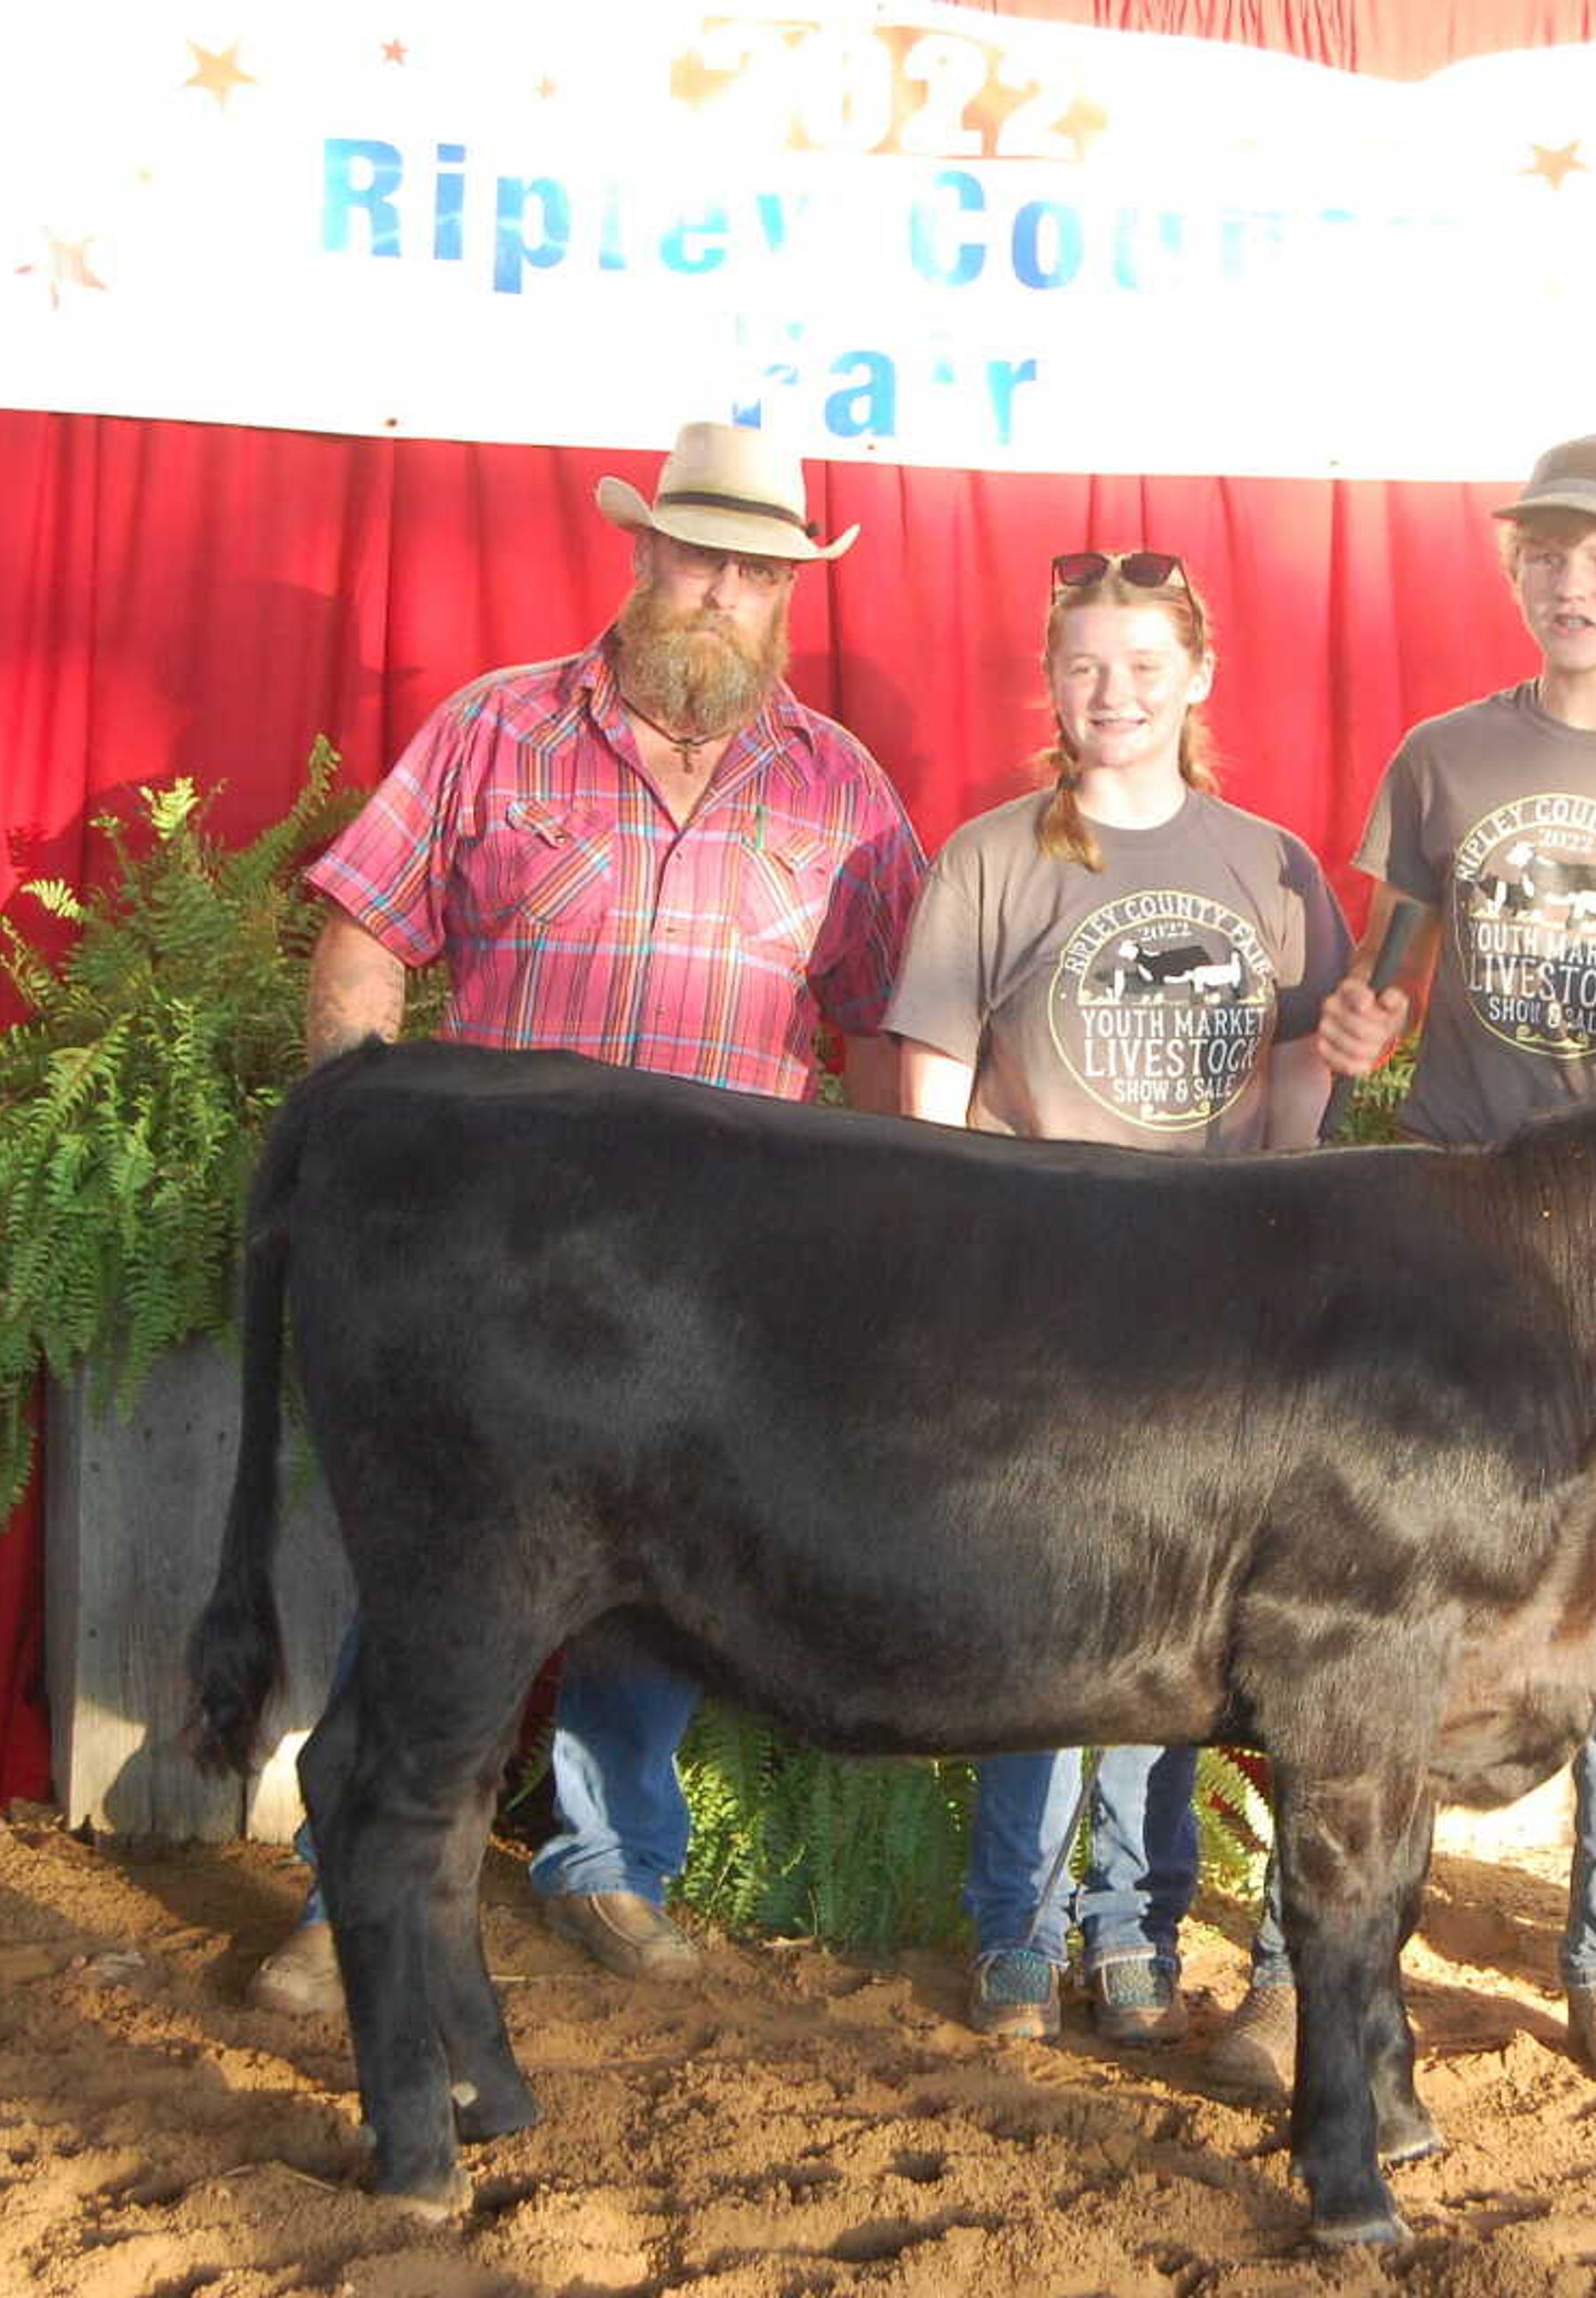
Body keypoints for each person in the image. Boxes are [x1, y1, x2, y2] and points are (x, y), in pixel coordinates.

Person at [247, 418, 928, 2015]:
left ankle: (603, 1856)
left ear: (788, 597)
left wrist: (902, 1238)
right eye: (697, 559)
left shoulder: (843, 788)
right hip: (498, 1267)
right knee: (439, 1573)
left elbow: (895, 1022)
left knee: (669, 1579)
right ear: (639, 560)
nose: (721, 594)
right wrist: (359, 1171)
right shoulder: (493, 732)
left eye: (758, 573)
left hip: (719, 1283)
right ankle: (360, 1875)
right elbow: (363, 936)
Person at [1287, 434, 1596, 2093]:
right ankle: (1301, 1961)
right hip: (1457, 1226)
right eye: (1546, 556)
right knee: (1374, 1598)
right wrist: (1363, 1021)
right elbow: (1387, 980)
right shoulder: (1443, 760)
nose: (1572, 584)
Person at [884, 548, 1349, 2047]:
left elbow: (1293, 1094)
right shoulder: (994, 857)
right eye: (1085, 665)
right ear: (1051, 678)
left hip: (1214, 1310)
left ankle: (1138, 1932)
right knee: (1054, 1634)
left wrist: (1298, 1178)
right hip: (1045, 1302)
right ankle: (1017, 1934)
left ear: (1198, 678)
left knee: (1185, 1635)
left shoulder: (1269, 865)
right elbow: (934, 1096)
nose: (1114, 695)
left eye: (1145, 666)